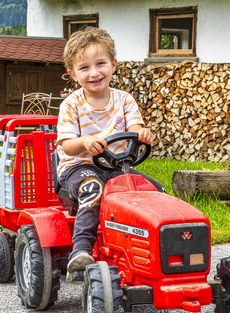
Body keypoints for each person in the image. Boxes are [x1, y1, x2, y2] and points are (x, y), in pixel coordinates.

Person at [56, 27, 165, 279]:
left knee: (155, 192)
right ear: (72, 73)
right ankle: (81, 250)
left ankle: (154, 249)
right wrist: (84, 141)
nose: (94, 73)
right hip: (78, 167)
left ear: (113, 64)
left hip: (116, 166)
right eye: (84, 68)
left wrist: (143, 134)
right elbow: (67, 145)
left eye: (100, 64)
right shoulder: (71, 104)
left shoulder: (124, 100)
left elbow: (135, 128)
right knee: (93, 187)